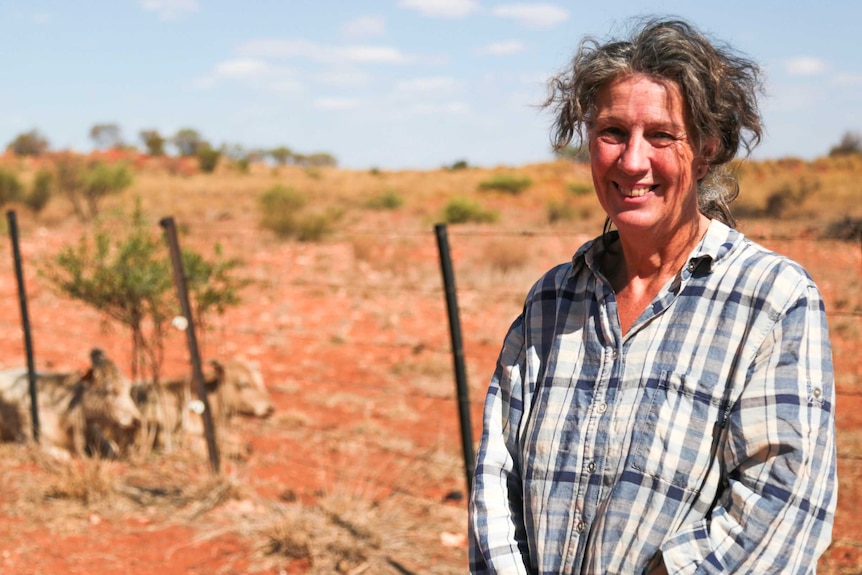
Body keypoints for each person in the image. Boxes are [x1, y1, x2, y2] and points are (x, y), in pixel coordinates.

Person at [468, 16, 837, 575]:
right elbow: (497, 476)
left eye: (662, 136)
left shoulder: (772, 300)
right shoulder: (552, 301)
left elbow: (782, 508)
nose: (632, 161)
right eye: (612, 132)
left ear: (708, 147)